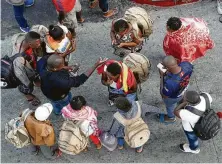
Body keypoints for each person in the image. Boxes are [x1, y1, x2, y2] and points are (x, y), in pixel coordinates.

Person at [40, 54, 107, 115]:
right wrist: (96, 65)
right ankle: (64, 112)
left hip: (48, 93)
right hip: (60, 96)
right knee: (64, 104)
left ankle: (57, 111)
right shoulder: (62, 81)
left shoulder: (42, 65)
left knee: (55, 103)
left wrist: (66, 68)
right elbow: (80, 80)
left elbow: (55, 67)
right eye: (62, 65)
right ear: (55, 68)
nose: (64, 66)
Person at [158, 55, 193, 124]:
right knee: (183, 97)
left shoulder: (170, 83)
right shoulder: (186, 65)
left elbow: (164, 95)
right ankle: (183, 105)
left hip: (173, 97)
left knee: (170, 106)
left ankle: (171, 118)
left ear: (167, 68)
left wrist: (162, 76)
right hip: (184, 89)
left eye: (163, 65)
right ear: (176, 61)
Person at [13, 31, 42, 106]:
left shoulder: (27, 38)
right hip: (23, 72)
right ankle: (29, 96)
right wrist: (28, 85)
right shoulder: (18, 60)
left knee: (34, 74)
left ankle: (36, 81)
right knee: (25, 86)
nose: (39, 45)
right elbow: (20, 76)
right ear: (30, 44)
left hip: (30, 65)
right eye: (37, 44)